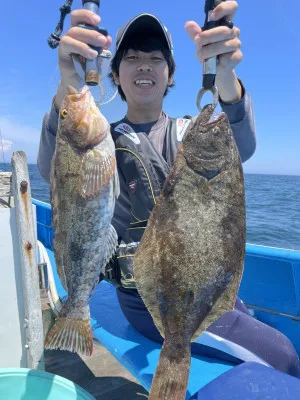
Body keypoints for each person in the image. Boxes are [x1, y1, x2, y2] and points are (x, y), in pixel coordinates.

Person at [38, 2, 300, 378]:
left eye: (156, 58)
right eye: (131, 57)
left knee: (249, 319)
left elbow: (242, 144)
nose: (144, 64)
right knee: (285, 355)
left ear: (170, 74)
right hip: (151, 303)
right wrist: (69, 84)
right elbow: (53, 167)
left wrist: (225, 77)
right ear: (113, 73)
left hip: (201, 286)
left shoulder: (192, 134)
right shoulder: (102, 142)